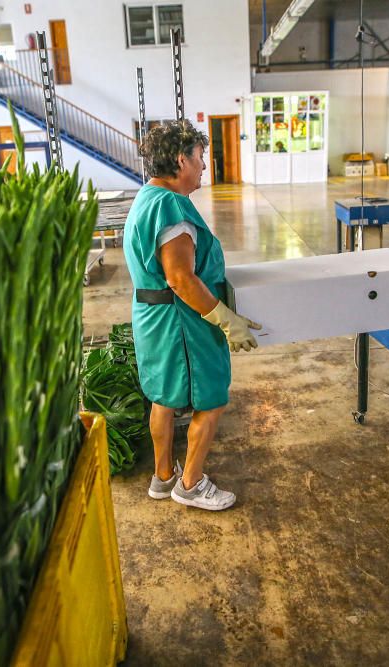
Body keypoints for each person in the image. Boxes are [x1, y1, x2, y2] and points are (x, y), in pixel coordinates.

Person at [124, 120, 262, 511]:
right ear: (181, 159)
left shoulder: (147, 197)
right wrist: (225, 319)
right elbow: (181, 278)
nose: (204, 166)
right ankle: (190, 484)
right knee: (211, 400)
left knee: (163, 399)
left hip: (152, 315)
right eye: (200, 158)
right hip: (180, 321)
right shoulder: (171, 206)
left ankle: (163, 476)